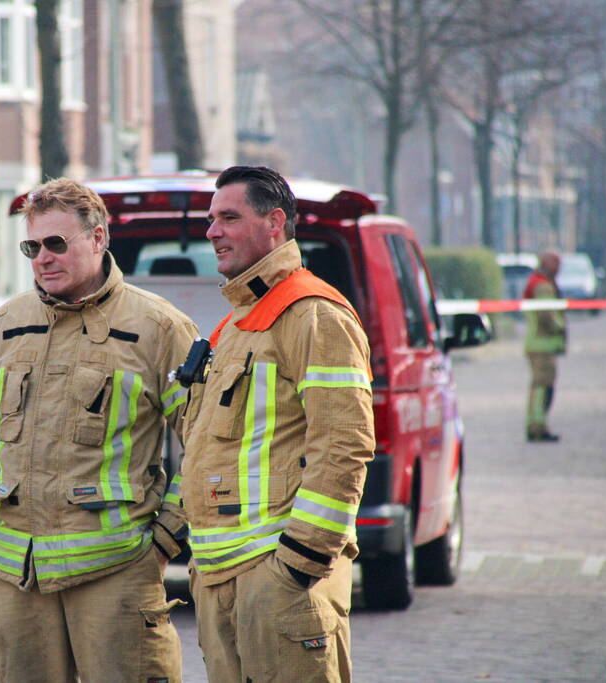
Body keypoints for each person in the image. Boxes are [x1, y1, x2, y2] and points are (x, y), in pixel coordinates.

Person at [0, 177, 197, 682]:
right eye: (33, 246)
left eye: (57, 243)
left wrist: (163, 545)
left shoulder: (159, 328)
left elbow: (207, 443)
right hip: (17, 580)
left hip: (117, 574)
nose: (43, 258)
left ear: (99, 238)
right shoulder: (4, 327)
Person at [180, 166, 375, 682]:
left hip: (279, 580)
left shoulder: (313, 312)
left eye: (228, 217)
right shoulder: (236, 322)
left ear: (275, 222)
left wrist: (297, 564)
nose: (212, 231)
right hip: (222, 579)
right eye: (209, 219)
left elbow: (344, 446)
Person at [523, 249, 566, 442]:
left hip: (537, 344)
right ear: (547, 263)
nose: (559, 267)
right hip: (543, 345)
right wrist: (560, 327)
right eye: (556, 263)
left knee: (538, 387)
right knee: (543, 388)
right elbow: (547, 315)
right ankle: (538, 426)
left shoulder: (536, 282)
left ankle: (536, 424)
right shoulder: (543, 286)